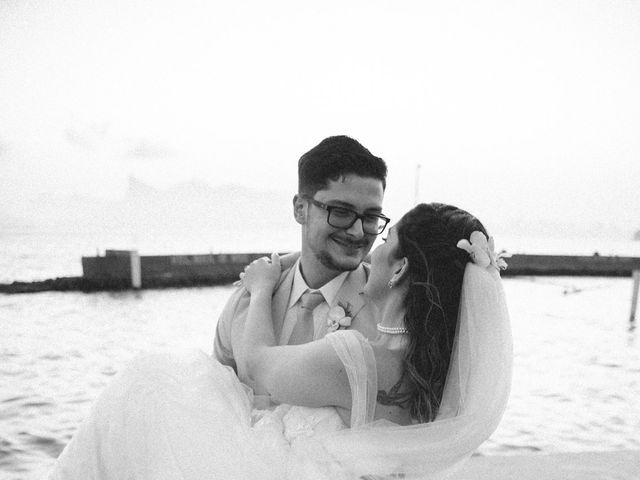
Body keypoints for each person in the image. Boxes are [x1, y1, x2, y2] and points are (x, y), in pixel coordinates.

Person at [48, 202, 512, 480]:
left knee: (147, 380)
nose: (372, 246)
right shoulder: (435, 369)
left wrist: (260, 287)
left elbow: (256, 365)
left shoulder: (357, 358)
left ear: (402, 267)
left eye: (386, 237)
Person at [214, 135, 389, 387]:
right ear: (300, 209)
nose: (358, 232)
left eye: (371, 216)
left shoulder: (387, 310)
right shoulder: (246, 300)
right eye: (341, 212)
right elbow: (215, 401)